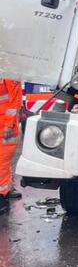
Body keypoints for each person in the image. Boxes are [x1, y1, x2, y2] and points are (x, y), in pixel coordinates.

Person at [0, 79, 23, 215]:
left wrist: (9, 124)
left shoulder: (9, 72)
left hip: (5, 129)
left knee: (1, 163)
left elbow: (15, 100)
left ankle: (2, 198)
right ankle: (6, 191)